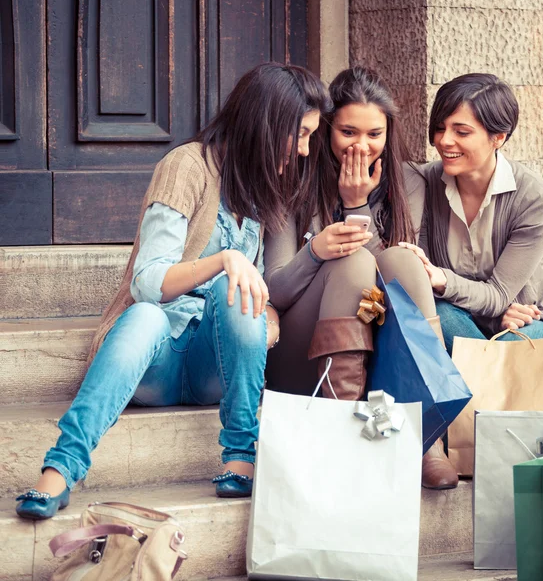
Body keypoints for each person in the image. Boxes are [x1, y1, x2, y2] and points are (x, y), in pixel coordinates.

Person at [15, 63, 331, 520]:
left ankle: (241, 458)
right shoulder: (186, 167)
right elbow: (148, 282)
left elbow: (252, 288)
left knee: (237, 295)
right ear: (268, 123)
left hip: (209, 365)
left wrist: (266, 319)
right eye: (299, 134)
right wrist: (223, 261)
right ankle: (61, 470)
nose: (304, 150)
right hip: (156, 357)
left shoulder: (258, 189)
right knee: (148, 314)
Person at [264, 66, 459, 490]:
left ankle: (427, 437)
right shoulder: (293, 177)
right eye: (348, 132)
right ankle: (341, 431)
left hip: (380, 357)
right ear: (327, 129)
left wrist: (359, 210)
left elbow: (387, 284)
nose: (362, 146)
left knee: (405, 263)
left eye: (375, 134)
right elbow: (275, 289)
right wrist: (318, 249)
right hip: (306, 358)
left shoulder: (406, 182)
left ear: (389, 133)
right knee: (351, 263)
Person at [404, 73, 543, 415]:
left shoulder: (533, 198)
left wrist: (442, 279)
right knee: (439, 318)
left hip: (529, 320)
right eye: (440, 128)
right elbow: (416, 279)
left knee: (510, 355)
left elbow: (499, 293)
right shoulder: (423, 181)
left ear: (499, 136)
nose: (444, 141)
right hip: (461, 318)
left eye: (461, 131)